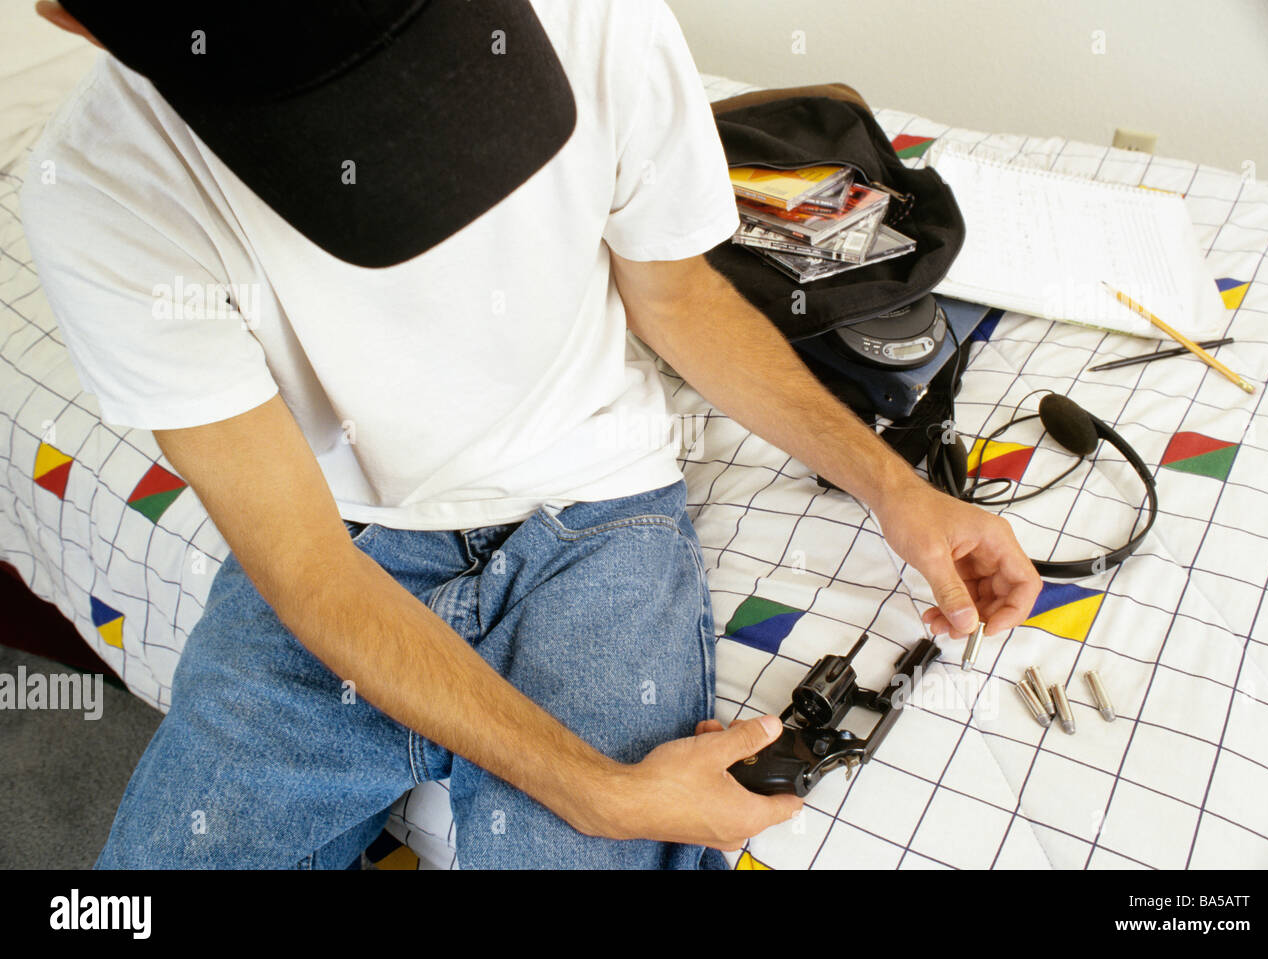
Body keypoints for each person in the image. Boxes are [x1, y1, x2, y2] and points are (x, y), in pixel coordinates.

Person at [21, 0, 1041, 870]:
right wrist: (594, 790)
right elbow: (306, 565)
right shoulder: (101, 185)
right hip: (340, 540)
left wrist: (890, 484)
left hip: (598, 513)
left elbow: (677, 297)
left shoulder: (590, 15)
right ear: (75, 19)